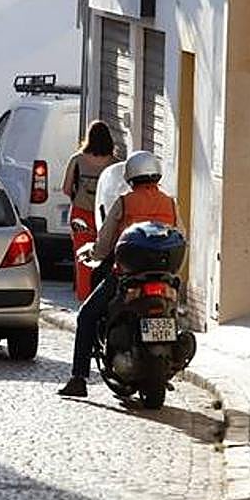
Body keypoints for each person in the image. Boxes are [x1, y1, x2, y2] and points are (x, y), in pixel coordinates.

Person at [57, 150, 179, 398]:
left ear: (130, 175)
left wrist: (92, 253)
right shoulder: (170, 203)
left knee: (87, 315)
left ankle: (79, 378)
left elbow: (104, 243)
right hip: (163, 276)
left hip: (127, 276)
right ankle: (164, 367)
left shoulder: (125, 202)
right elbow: (180, 234)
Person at [61, 121, 120, 301]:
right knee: (107, 256)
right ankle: (103, 297)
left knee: (83, 258)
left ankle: (84, 299)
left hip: (81, 215)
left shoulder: (77, 160)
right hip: (106, 216)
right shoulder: (115, 164)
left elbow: (66, 188)